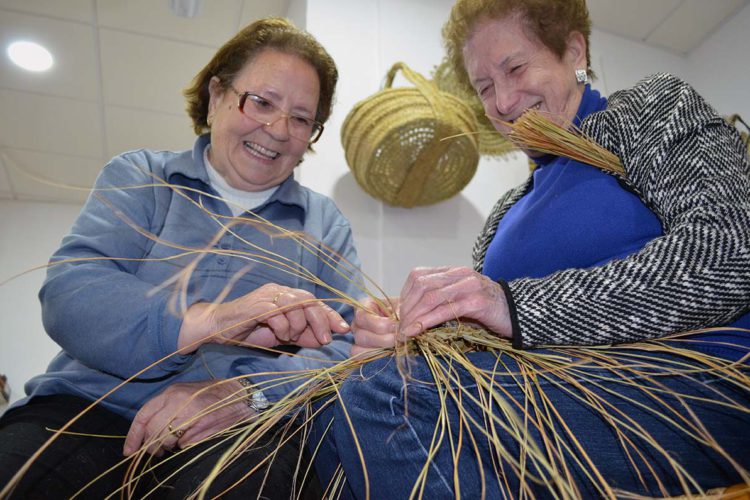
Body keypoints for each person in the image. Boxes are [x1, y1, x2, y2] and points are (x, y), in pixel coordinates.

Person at [310, 0, 750, 498]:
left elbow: (731, 252)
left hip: (689, 389)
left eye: (515, 68)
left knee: (385, 398)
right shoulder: (504, 212)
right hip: (545, 396)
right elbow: (493, 344)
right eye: (484, 88)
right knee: (333, 416)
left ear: (573, 50)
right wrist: (417, 330)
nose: (500, 102)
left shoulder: (649, 112)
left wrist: (513, 305)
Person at [0, 17, 361, 499]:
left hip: (237, 432)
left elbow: (347, 346)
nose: (278, 130)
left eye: (301, 118)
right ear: (216, 96)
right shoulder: (141, 176)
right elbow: (73, 292)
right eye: (262, 102)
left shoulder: (325, 223)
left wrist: (244, 395)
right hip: (84, 409)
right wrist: (209, 320)